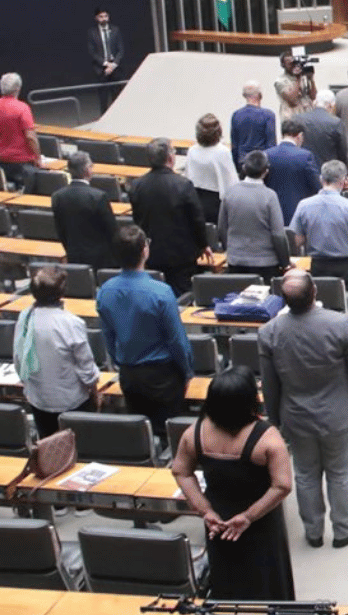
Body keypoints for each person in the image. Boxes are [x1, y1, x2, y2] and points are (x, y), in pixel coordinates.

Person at [170, 368, 295, 615]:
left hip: (219, 522)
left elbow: (181, 472)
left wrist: (205, 510)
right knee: (268, 585)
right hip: (259, 522)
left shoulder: (195, 433)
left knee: (231, 587)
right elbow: (282, 486)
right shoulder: (267, 437)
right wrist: (249, 516)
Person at [260, 269, 348, 549]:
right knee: (340, 472)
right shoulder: (339, 324)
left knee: (305, 473)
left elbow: (269, 382)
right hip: (338, 414)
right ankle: (344, 528)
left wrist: (274, 418)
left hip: (296, 416)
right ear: (315, 293)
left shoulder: (269, 333)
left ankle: (313, 532)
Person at [98, 225, 194, 439]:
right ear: (145, 250)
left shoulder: (105, 291)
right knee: (170, 435)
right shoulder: (161, 292)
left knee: (140, 434)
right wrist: (187, 371)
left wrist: (121, 362)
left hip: (129, 375)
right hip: (163, 376)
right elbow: (176, 339)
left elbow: (108, 336)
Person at [12, 265, 98, 438]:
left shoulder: (24, 317)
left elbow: (18, 359)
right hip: (72, 401)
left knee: (49, 450)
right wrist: (95, 392)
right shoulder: (71, 323)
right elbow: (86, 367)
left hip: (39, 399)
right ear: (62, 292)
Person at [129, 136, 211, 295]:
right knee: (181, 299)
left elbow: (137, 220)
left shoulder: (137, 185)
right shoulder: (183, 185)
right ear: (170, 158)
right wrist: (203, 244)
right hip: (181, 257)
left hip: (151, 253)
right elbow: (197, 220)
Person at [289, 159, 348, 293]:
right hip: (347, 267)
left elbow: (298, 241)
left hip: (318, 266)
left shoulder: (303, 205)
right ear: (343, 181)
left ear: (321, 179)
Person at [219, 151, 290, 282]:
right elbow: (278, 235)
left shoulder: (230, 192)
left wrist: (230, 251)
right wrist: (285, 263)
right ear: (266, 171)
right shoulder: (270, 196)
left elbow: (222, 228)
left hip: (236, 261)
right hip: (265, 263)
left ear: (244, 168)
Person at [52, 152, 118, 269]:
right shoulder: (99, 196)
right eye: (91, 166)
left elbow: (60, 230)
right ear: (87, 170)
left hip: (73, 256)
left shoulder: (57, 196)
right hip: (102, 259)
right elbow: (112, 231)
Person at [0, 72, 39, 190]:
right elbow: (30, 136)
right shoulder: (22, 108)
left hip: (2, 159)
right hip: (23, 162)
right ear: (17, 89)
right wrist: (38, 157)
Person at [263, 119, 321, 224]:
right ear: (299, 136)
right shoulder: (306, 156)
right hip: (298, 211)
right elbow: (316, 185)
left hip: (272, 211)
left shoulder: (267, 154)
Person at [182, 113, 237, 221]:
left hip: (195, 199)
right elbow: (231, 181)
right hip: (215, 202)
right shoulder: (222, 152)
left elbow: (188, 176)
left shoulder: (192, 150)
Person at [290, 86, 347, 173]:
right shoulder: (336, 122)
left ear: (315, 102)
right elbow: (342, 152)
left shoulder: (298, 119)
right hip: (328, 173)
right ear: (331, 105)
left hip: (303, 170)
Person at [230, 81, 277, 173]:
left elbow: (234, 145)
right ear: (260, 95)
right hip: (261, 164)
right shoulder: (268, 115)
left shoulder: (236, 115)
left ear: (244, 95)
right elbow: (271, 144)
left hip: (243, 163)